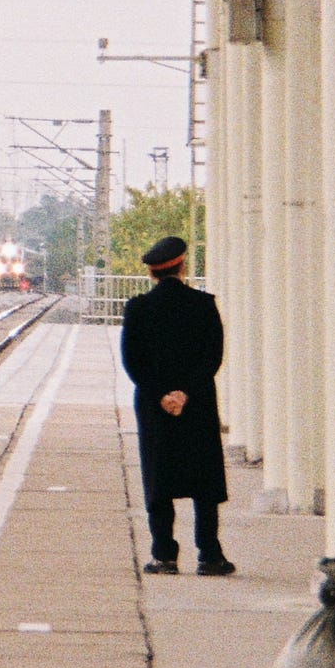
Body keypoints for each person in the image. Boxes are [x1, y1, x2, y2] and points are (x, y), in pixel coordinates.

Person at [120, 235, 235, 577]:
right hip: (196, 402)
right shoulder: (204, 305)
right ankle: (210, 555)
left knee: (159, 476)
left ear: (153, 273)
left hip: (155, 407)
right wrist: (185, 392)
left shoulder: (138, 309)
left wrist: (162, 395)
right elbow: (212, 356)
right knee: (204, 477)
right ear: (183, 266)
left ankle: (164, 555)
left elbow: (132, 361)